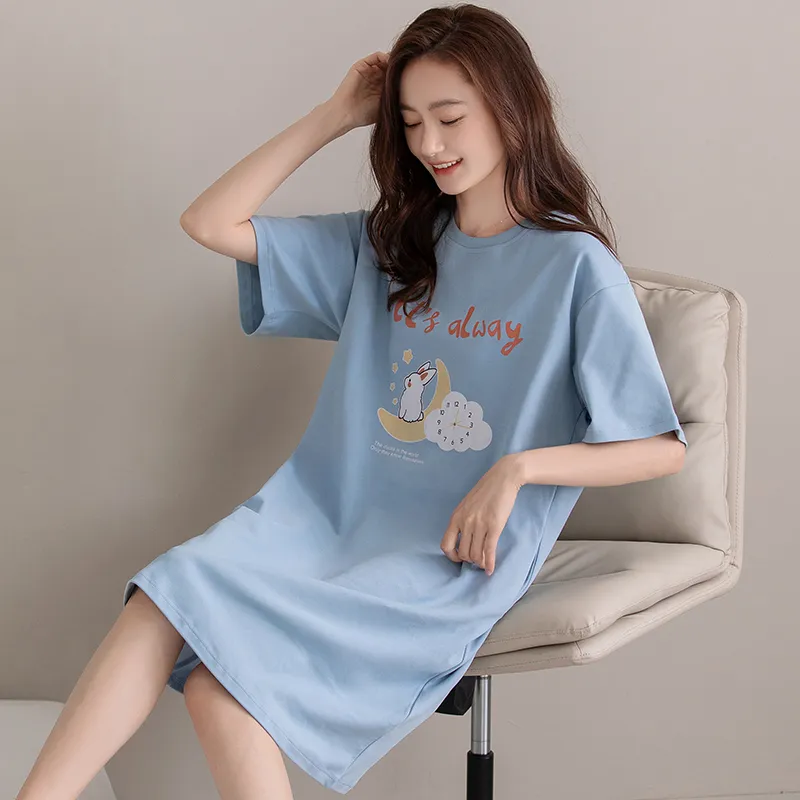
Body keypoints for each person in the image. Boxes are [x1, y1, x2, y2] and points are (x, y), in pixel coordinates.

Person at [16, 5, 687, 799]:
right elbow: (209, 222)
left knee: (213, 674)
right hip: (316, 522)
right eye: (410, 122)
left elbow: (659, 446)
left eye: (449, 118)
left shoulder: (574, 267)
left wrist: (518, 469)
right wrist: (335, 114)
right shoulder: (391, 245)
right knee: (171, 601)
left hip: (442, 556)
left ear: (512, 108)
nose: (429, 144)